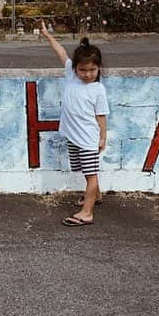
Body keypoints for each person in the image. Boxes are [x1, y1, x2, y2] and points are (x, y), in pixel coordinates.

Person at [39, 19, 109, 227]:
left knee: (91, 175)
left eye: (93, 70)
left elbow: (102, 116)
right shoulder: (71, 75)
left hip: (88, 138)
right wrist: (47, 35)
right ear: (76, 68)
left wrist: (102, 137)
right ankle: (96, 197)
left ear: (98, 68)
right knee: (85, 170)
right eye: (83, 70)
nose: (88, 74)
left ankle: (87, 212)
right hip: (73, 135)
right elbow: (61, 52)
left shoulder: (98, 90)